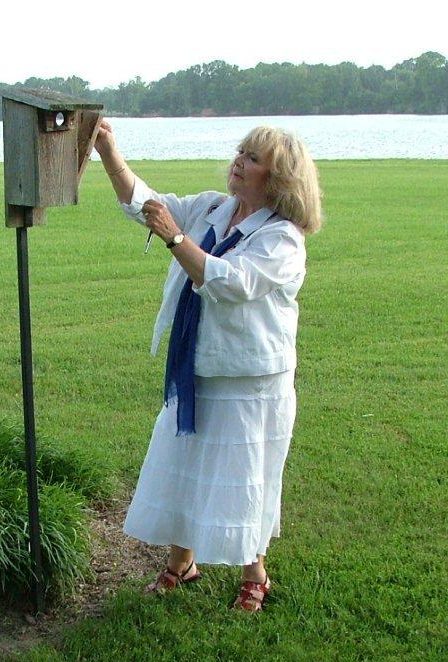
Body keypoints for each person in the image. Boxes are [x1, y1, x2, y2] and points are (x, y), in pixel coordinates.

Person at [93, 121, 322, 612]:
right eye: (240, 151)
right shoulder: (213, 209)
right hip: (196, 364)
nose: (239, 161)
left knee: (246, 474)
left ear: (278, 178)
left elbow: (228, 282)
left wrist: (176, 240)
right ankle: (182, 562)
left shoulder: (282, 239)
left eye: (253, 158)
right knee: (185, 463)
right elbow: (144, 202)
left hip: (250, 380)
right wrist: (108, 150)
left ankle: (254, 574)